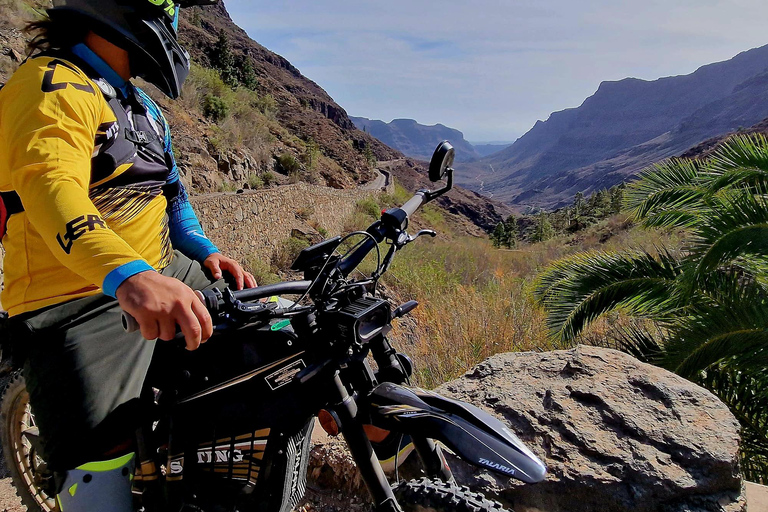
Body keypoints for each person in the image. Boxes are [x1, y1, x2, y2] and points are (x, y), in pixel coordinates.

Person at [0, 0, 255, 509]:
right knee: (98, 473)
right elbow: (51, 189)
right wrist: (132, 277)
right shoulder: (50, 82)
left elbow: (172, 196)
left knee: (270, 336)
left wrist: (206, 252)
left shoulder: (142, 107)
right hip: (77, 296)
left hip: (160, 268)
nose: (177, 17)